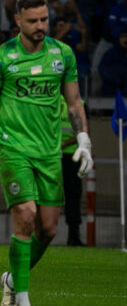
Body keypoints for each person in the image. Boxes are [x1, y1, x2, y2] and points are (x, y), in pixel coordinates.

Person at [0, 0, 93, 306]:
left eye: (44, 20)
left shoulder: (62, 54)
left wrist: (84, 140)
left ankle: (11, 278)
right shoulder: (1, 57)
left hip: (50, 151)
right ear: (18, 21)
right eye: (33, 21)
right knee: (25, 216)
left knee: (49, 229)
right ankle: (20, 302)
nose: (40, 26)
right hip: (13, 148)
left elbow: (74, 102)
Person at [59, 97, 85, 246]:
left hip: (72, 155)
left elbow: (84, 131)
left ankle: (73, 236)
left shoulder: (80, 104)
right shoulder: (52, 98)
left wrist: (64, 143)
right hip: (52, 154)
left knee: (73, 194)